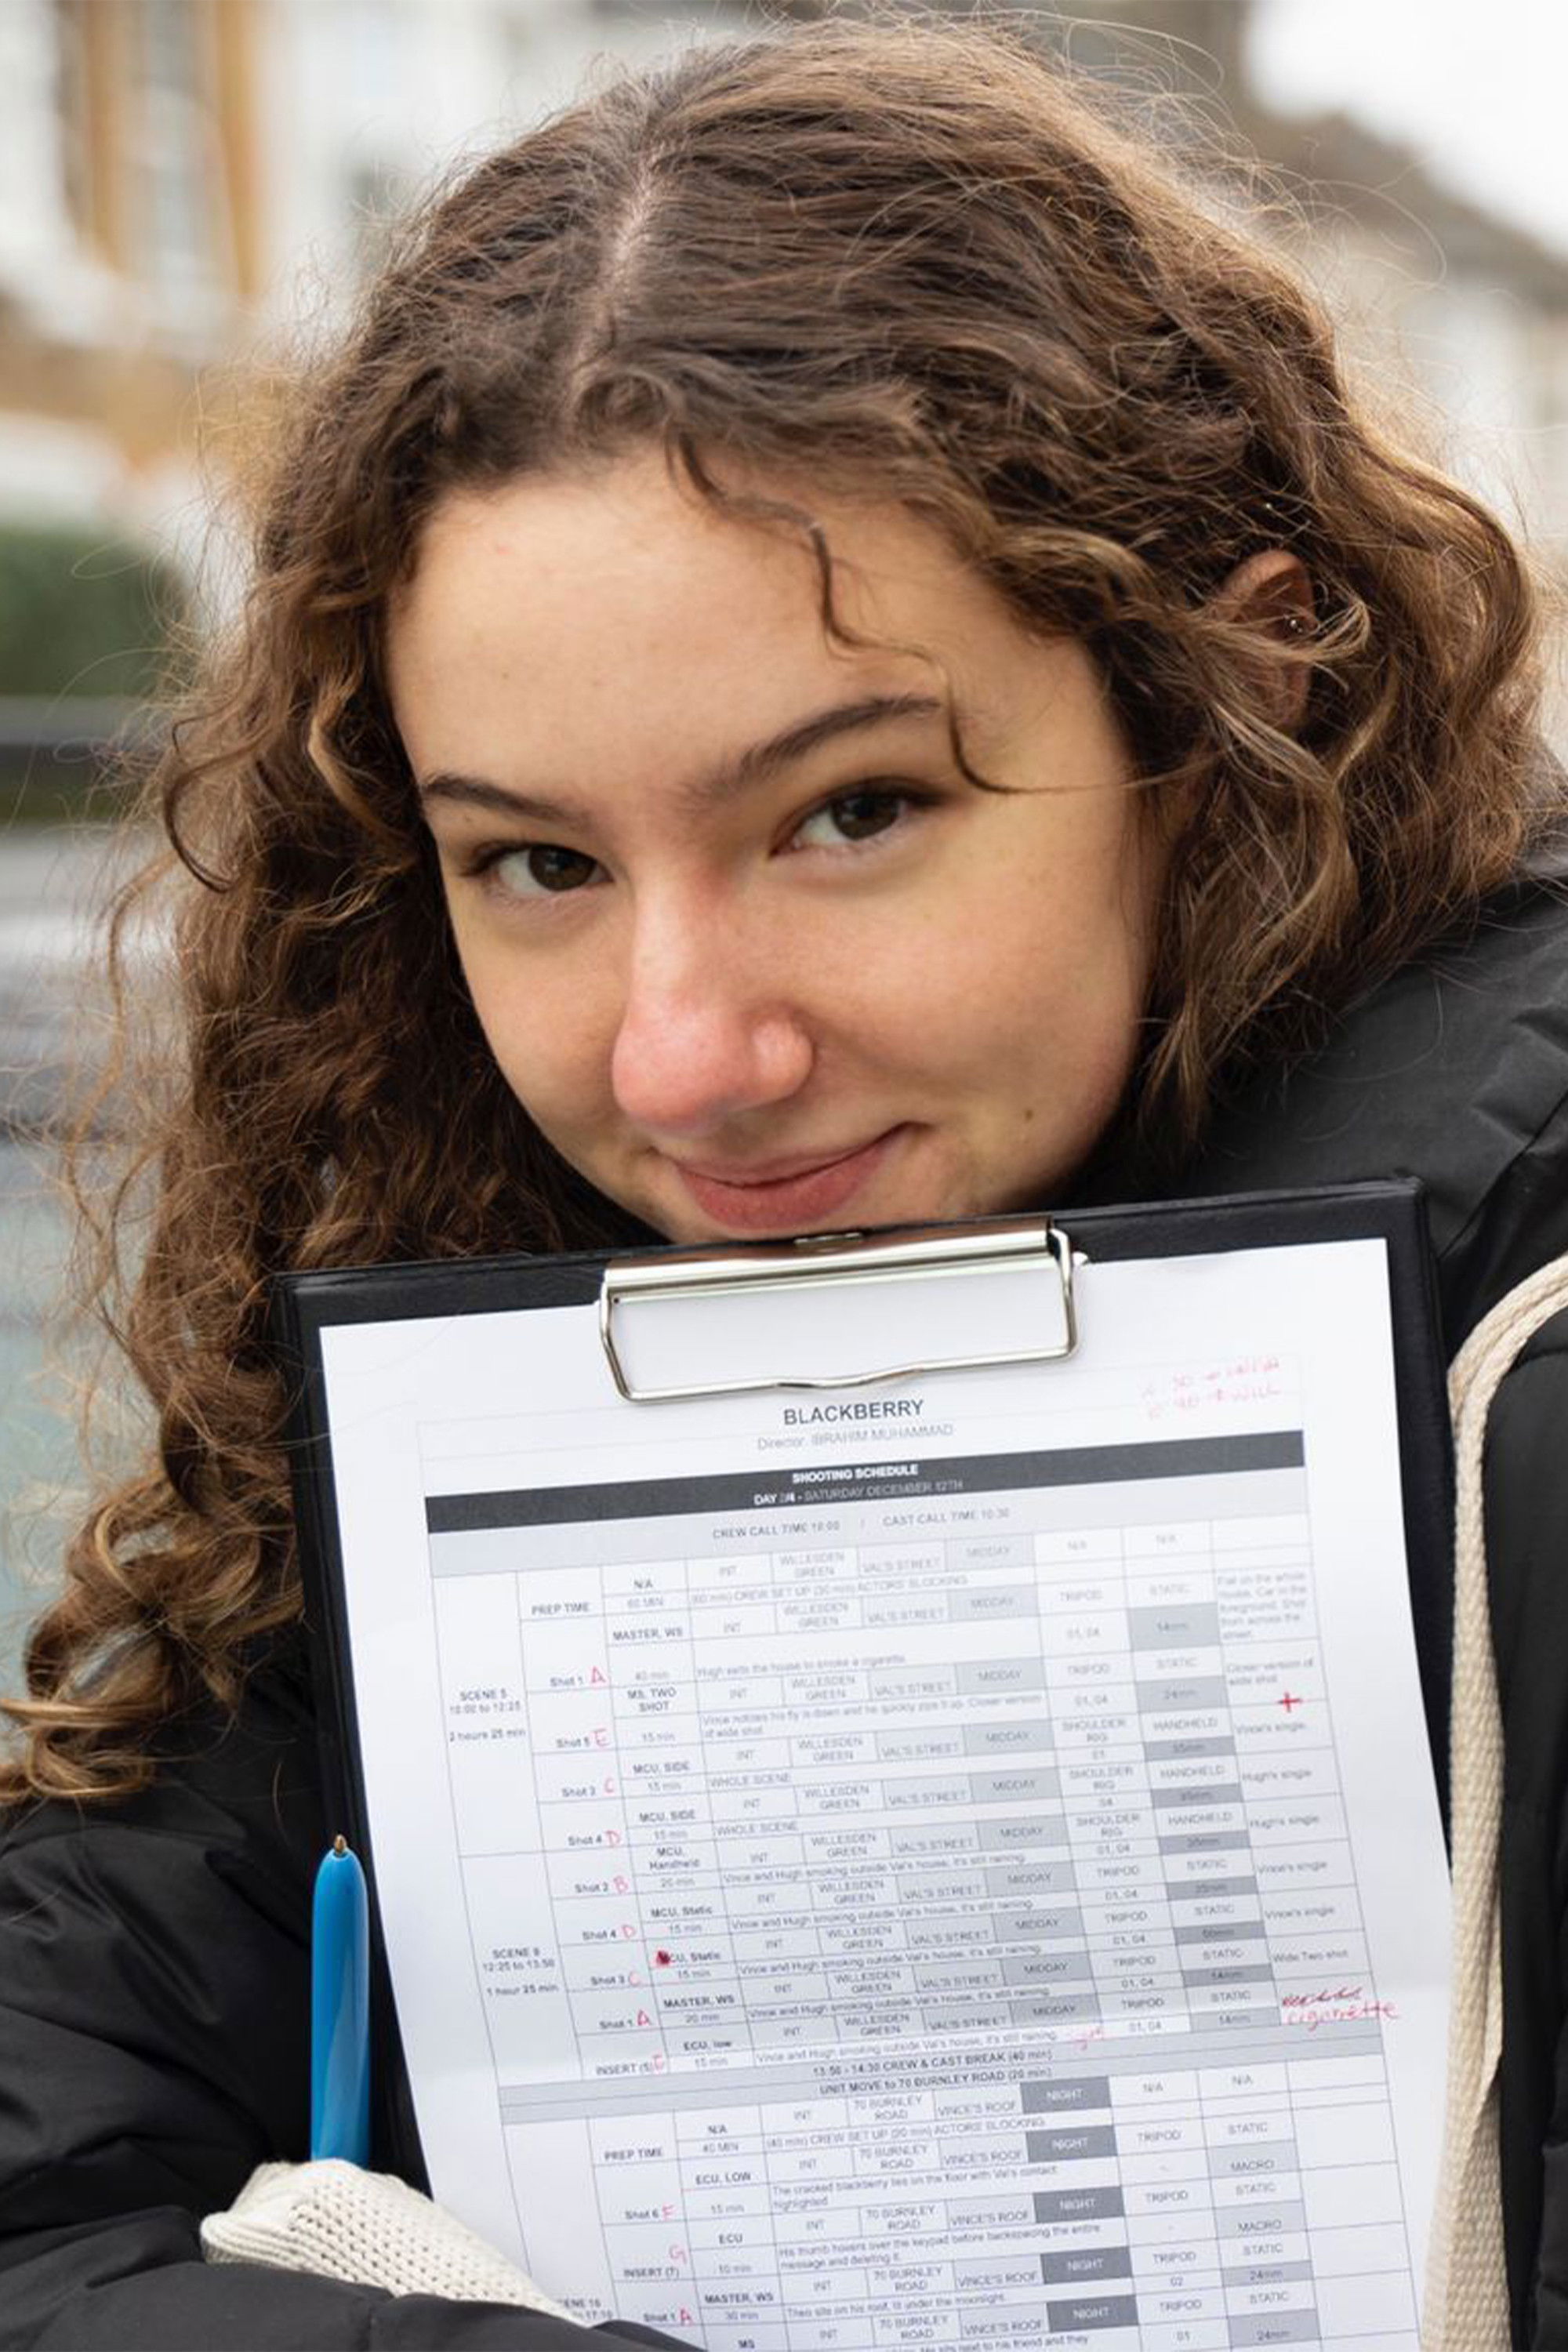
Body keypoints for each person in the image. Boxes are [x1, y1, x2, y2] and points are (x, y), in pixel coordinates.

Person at [2, 14, 1566, 2348]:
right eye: (533, 861)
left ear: (1242, 698)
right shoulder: (441, 1356)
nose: (686, 1056)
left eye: (852, 813)